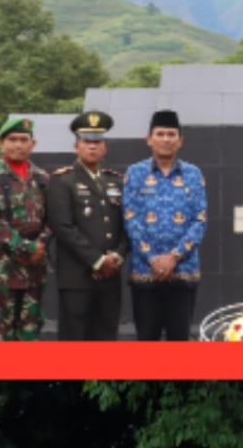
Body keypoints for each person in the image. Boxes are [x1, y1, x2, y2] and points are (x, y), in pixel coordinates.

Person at [123, 109, 208, 341]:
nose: (165, 139)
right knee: (147, 341)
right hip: (145, 271)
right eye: (160, 134)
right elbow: (131, 219)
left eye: (171, 134)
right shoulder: (135, 173)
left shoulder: (193, 173)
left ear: (180, 141)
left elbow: (199, 220)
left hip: (183, 272)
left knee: (179, 342)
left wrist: (174, 257)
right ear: (148, 139)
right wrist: (152, 257)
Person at [47, 111, 129, 340]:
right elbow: (63, 227)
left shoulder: (116, 181)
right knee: (75, 339)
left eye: (97, 142)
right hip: (77, 276)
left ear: (105, 147)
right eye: (87, 142)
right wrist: (98, 260)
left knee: (105, 336)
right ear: (76, 146)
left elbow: (126, 224)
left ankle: (101, 378)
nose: (92, 147)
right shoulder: (62, 180)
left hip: (111, 274)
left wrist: (118, 256)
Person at [0, 115, 51, 341]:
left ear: (33, 144)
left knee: (29, 332)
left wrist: (41, 244)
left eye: (23, 139)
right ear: (1, 143)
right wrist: (27, 247)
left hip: (34, 270)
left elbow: (52, 219)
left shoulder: (42, 178)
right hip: (0, 270)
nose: (18, 145)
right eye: (12, 139)